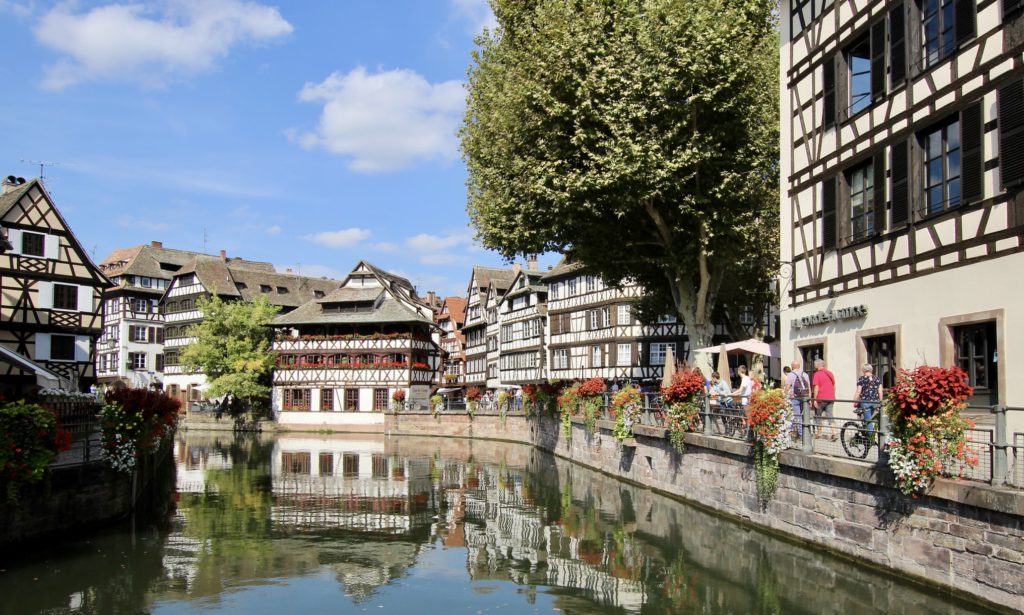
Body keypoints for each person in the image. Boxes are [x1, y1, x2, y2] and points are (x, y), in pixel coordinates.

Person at [811, 358, 837, 440]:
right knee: (830, 415)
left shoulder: (817, 374)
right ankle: (834, 432)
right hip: (831, 397)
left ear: (817, 365)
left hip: (821, 398)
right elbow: (834, 385)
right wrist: (832, 394)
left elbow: (816, 387)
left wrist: (815, 399)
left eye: (815, 365)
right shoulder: (830, 373)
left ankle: (819, 433)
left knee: (818, 415)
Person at [784, 360, 810, 439]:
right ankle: (806, 433)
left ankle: (802, 435)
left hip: (795, 398)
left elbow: (787, 387)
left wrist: (784, 397)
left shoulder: (791, 375)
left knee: (797, 416)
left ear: (792, 366)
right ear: (799, 366)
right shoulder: (805, 374)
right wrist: (810, 398)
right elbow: (809, 387)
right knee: (804, 416)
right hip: (805, 397)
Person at [854, 363, 883, 429]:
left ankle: (870, 438)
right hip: (874, 402)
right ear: (871, 370)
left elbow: (858, 391)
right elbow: (880, 392)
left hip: (865, 402)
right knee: (869, 419)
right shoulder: (877, 379)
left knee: (868, 421)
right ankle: (867, 435)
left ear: (863, 370)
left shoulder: (861, 379)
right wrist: (880, 402)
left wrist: (854, 400)